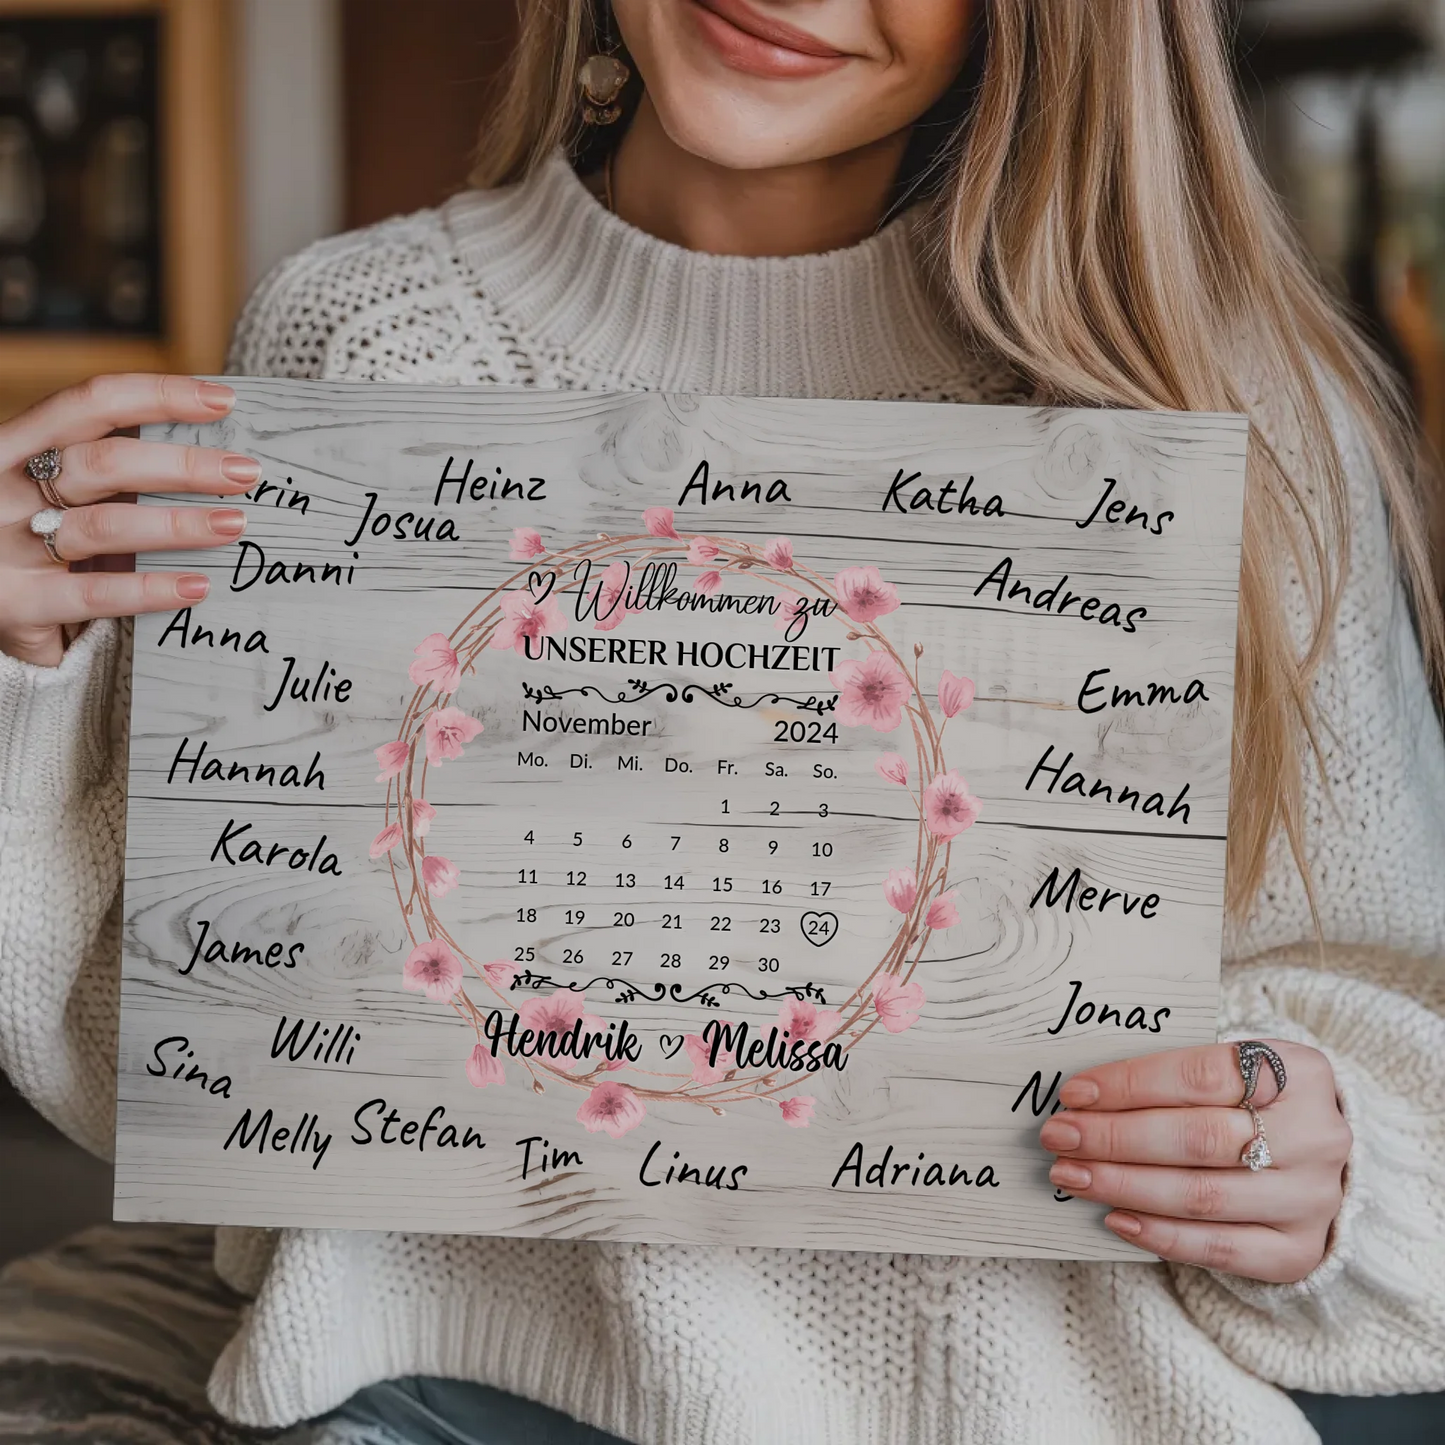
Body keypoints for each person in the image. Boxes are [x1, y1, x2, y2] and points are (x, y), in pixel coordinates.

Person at [1, 2, 1444, 1442]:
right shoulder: (352, 335)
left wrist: (1335, 1173)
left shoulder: (1219, 399)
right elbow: (190, 1054)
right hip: (439, 1408)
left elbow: (1395, 1034)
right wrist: (26, 658)